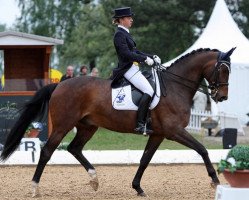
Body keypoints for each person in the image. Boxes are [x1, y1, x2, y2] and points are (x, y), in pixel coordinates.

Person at [110, 7, 161, 135]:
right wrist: (144, 59)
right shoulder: (119, 35)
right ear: (121, 20)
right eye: (128, 18)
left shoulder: (125, 33)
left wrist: (151, 56)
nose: (131, 19)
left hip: (133, 67)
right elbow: (126, 54)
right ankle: (140, 124)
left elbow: (135, 51)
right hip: (126, 69)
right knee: (149, 90)